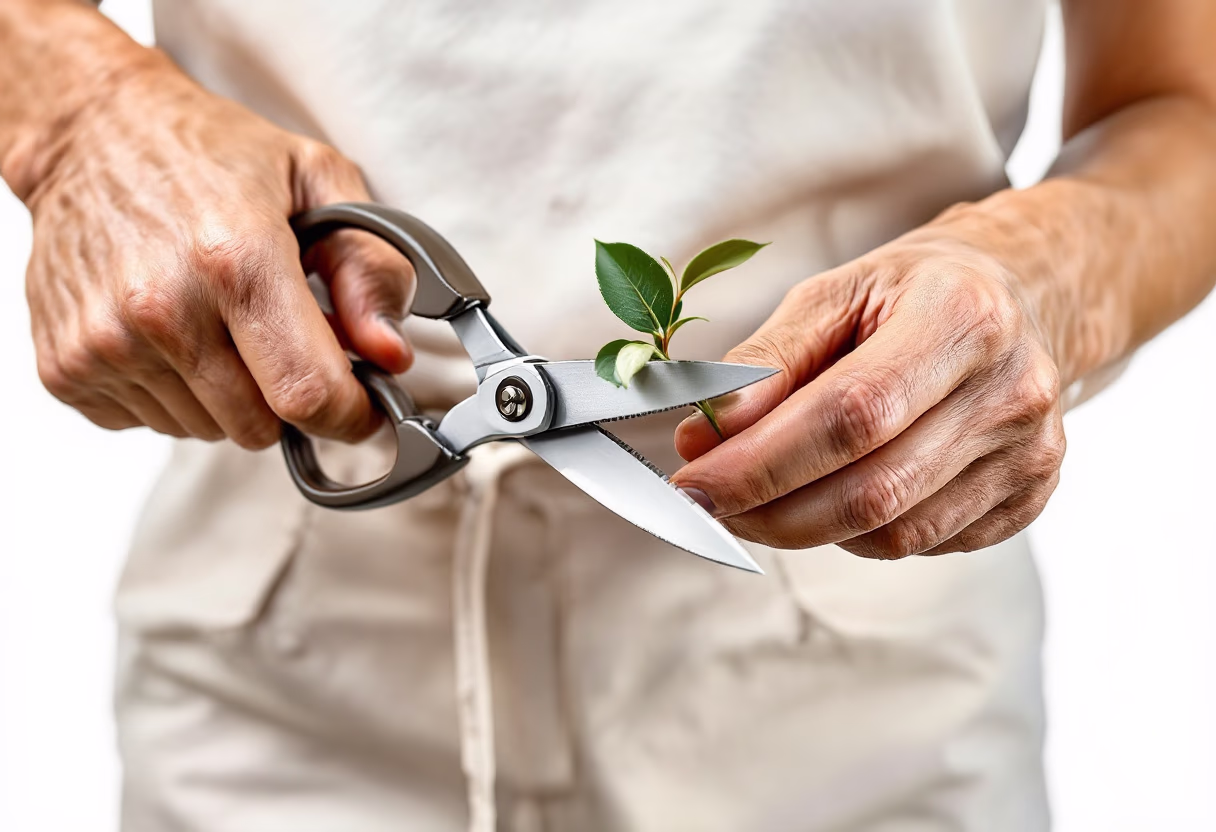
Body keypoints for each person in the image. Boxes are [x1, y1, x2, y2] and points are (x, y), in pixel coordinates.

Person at [3, 0, 1214, 829]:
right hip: (280, 683)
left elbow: (1184, 102)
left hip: (860, 701)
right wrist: (74, 107)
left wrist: (1050, 270)